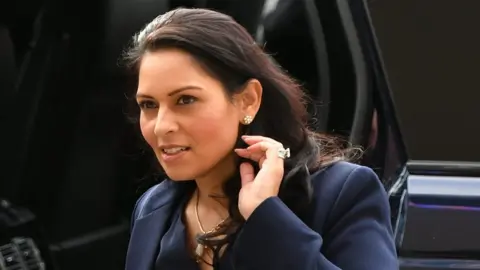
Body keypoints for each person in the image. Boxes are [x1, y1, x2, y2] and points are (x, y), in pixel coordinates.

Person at [124, 7, 398, 270]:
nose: (161, 126)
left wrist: (265, 216)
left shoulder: (341, 193)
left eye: (186, 100)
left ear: (247, 101)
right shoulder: (155, 208)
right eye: (149, 105)